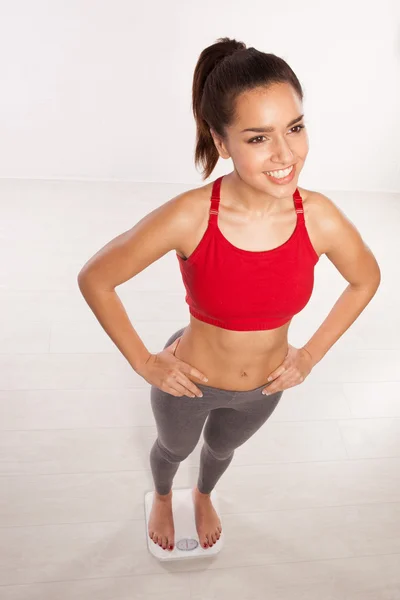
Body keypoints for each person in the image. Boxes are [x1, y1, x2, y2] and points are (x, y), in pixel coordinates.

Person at [77, 37, 381, 554]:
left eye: (295, 128)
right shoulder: (193, 215)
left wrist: (308, 355)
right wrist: (146, 363)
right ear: (222, 143)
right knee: (173, 447)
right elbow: (96, 278)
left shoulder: (321, 217)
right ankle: (163, 493)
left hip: (265, 387)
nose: (286, 154)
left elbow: (365, 279)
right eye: (259, 137)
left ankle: (203, 493)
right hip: (190, 382)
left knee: (221, 448)